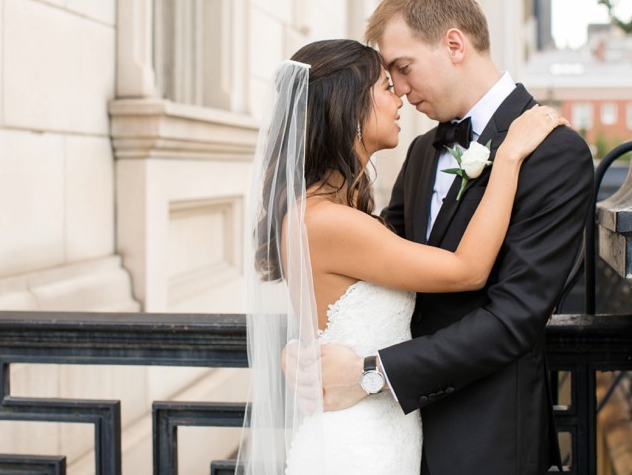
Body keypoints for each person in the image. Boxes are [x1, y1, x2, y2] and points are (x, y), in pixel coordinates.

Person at [237, 38, 569, 475]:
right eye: (385, 86)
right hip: (358, 445)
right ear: (350, 107)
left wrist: (303, 347)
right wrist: (507, 158)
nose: (401, 97)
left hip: (388, 432)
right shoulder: (330, 222)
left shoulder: (333, 213)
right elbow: (467, 271)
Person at [319, 0, 595, 473]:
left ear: (453, 44)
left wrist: (373, 375)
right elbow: (378, 259)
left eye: (403, 68)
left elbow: (513, 319)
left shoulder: (554, 153)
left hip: (484, 436)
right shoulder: (424, 150)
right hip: (391, 435)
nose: (399, 89)